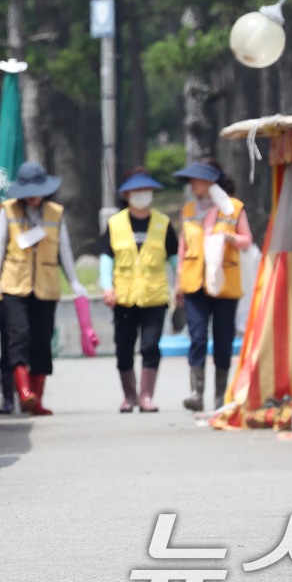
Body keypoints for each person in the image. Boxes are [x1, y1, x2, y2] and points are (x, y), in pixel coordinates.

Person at [0, 162, 97, 415]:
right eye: (29, 190)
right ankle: (24, 393)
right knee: (19, 337)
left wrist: (74, 281)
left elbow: (65, 249)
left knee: (42, 341)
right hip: (14, 285)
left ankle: (38, 400)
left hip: (46, 286)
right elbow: (0, 246)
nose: (34, 195)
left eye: (39, 190)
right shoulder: (9, 211)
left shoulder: (56, 213)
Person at [172, 158, 253, 411]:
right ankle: (197, 393)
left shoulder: (234, 208)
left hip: (224, 282)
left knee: (223, 338)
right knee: (197, 336)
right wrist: (177, 282)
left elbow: (247, 240)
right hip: (195, 283)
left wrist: (229, 238)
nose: (191, 185)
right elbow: (183, 248)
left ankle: (220, 396)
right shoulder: (187, 211)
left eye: (195, 181)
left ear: (209, 182)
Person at [98, 168, 178, 413]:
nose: (143, 194)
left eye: (147, 190)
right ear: (126, 194)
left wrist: (182, 287)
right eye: (138, 190)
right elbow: (106, 259)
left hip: (154, 297)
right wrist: (107, 287)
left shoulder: (164, 224)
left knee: (150, 346)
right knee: (124, 347)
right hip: (124, 298)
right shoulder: (115, 224)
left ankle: (146, 396)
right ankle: (129, 396)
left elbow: (175, 260)